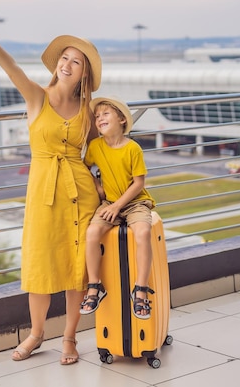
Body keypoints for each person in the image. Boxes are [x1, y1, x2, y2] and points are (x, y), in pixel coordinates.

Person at [0, 23, 102, 365]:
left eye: (76, 62)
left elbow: (101, 154)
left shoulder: (89, 110)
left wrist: (109, 192)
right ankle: (36, 334)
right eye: (65, 58)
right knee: (40, 267)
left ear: (84, 73)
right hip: (43, 194)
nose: (67, 64)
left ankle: (70, 339)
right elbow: (13, 70)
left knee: (77, 272)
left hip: (81, 195)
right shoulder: (37, 96)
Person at [80, 97, 157, 319]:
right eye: (97, 116)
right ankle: (95, 285)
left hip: (135, 202)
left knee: (143, 232)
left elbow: (139, 183)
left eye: (105, 114)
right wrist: (98, 188)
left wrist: (117, 206)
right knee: (92, 233)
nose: (99, 118)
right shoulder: (95, 147)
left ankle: (140, 289)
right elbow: (85, 167)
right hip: (109, 202)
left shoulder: (133, 148)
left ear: (122, 119)